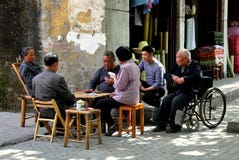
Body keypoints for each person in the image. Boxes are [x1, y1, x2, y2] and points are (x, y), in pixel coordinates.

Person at [153, 49, 202, 133]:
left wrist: (184, 79)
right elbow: (166, 74)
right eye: (176, 57)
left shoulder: (195, 65)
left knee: (176, 101)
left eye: (178, 57)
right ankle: (161, 124)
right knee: (166, 99)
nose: (176, 59)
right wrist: (173, 77)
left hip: (188, 92)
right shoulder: (178, 65)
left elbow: (197, 75)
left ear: (186, 59)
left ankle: (175, 125)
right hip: (177, 90)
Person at [96, 46, 140, 136]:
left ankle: (112, 125)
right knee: (107, 101)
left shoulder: (125, 68)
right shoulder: (134, 66)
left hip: (126, 99)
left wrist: (114, 79)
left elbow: (120, 86)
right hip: (134, 97)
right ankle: (109, 125)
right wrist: (115, 93)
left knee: (100, 104)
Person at [32, 53, 75, 119]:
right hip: (56, 112)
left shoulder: (35, 79)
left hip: (41, 112)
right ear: (55, 64)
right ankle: (80, 126)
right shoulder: (58, 78)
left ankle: (63, 125)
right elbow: (68, 97)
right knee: (79, 104)